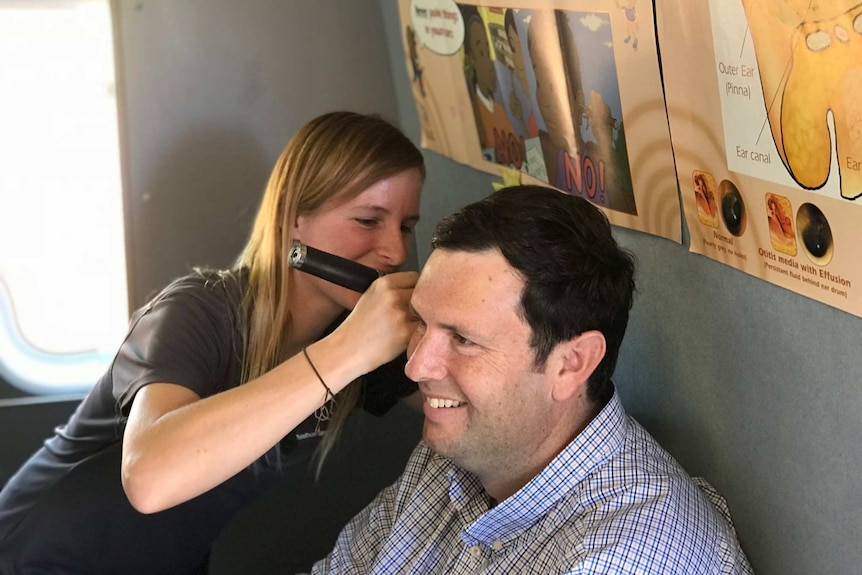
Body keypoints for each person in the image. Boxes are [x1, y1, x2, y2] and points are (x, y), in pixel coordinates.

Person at [0, 111, 425, 575]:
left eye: (405, 226)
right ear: (293, 218)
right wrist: (346, 353)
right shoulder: (197, 311)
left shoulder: (357, 333)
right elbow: (148, 478)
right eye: (367, 220)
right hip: (38, 557)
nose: (396, 252)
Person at [311, 185, 754, 574]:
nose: (416, 367)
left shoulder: (620, 557)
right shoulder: (460, 454)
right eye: (420, 323)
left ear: (572, 364)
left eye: (463, 339)